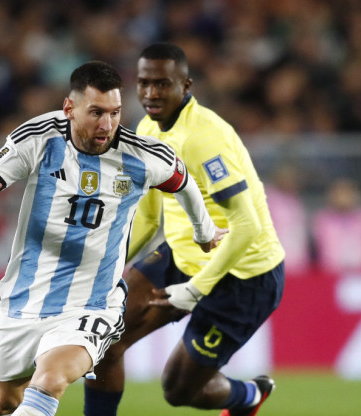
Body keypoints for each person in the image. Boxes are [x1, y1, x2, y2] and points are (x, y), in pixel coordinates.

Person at [0, 61, 226, 416]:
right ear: (69, 108)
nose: (107, 125)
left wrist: (204, 233)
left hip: (93, 303)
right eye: (96, 113)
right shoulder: (42, 136)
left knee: (51, 379)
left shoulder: (141, 156)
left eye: (115, 113)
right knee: (5, 400)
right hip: (25, 297)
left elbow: (184, 183)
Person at [83, 43, 286, 416]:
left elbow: (247, 225)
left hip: (244, 276)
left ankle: (249, 395)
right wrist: (105, 264)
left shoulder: (204, 138)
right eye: (144, 83)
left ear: (186, 85)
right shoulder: (146, 130)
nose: (151, 93)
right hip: (182, 256)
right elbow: (147, 216)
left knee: (178, 391)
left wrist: (196, 289)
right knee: (101, 339)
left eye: (162, 84)